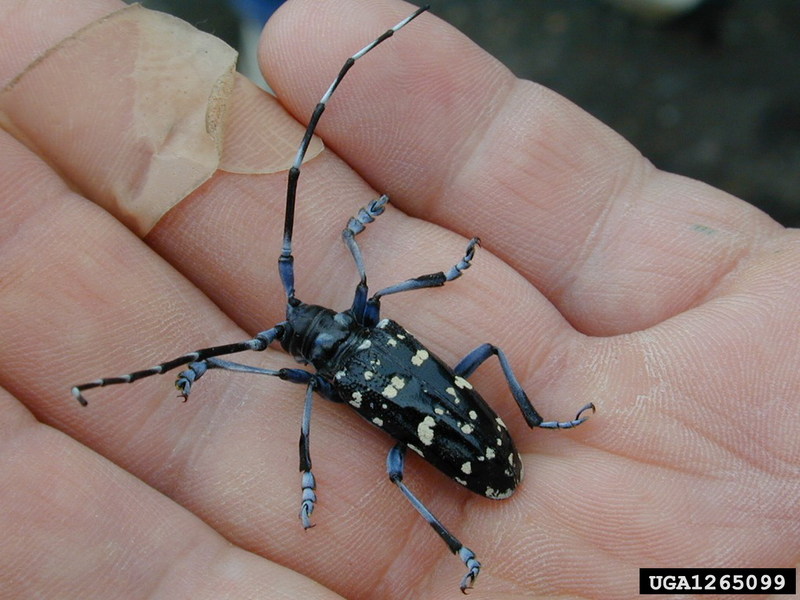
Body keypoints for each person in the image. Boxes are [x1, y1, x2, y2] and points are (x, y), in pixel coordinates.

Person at [1, 0, 797, 597]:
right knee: (414, 427)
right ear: (319, 328)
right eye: (287, 330)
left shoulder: (325, 371)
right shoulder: (358, 328)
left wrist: (212, 369)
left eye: (285, 332)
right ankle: (474, 520)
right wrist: (211, 362)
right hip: (471, 447)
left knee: (393, 466)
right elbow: (341, 311)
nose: (284, 328)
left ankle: (462, 544)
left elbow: (297, 369)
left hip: (477, 446)